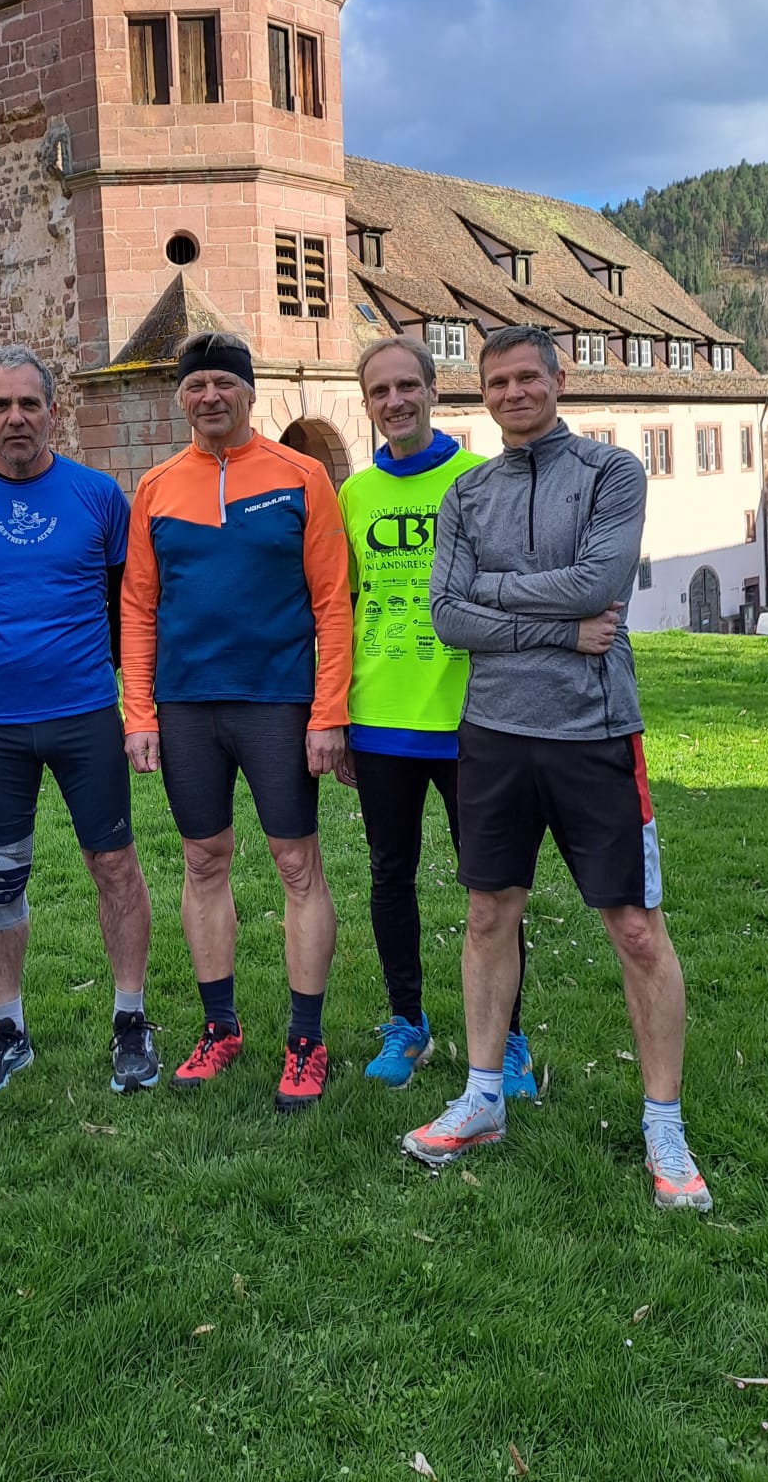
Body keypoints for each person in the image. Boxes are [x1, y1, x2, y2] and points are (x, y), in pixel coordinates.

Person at [404, 325, 711, 1211]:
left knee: (636, 928)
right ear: (483, 394)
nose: (512, 393)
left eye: (525, 377)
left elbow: (596, 586)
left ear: (557, 379)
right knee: (486, 914)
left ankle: (664, 1126)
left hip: (594, 732)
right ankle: (483, 1098)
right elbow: (447, 618)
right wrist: (557, 626)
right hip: (493, 732)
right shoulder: (468, 493)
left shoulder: (612, 473)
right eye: (496, 382)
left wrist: (494, 591)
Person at [0, 345, 157, 1098]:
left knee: (113, 865)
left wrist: (90, 666)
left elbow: (125, 597)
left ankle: (130, 1018)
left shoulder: (97, 496)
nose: (16, 417)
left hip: (85, 715)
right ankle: (7, 1027)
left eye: (29, 403)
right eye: (2, 405)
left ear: (53, 411)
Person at [122, 331, 352, 1112]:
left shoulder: (301, 476)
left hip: (277, 702)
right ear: (180, 398)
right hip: (188, 705)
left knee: (296, 865)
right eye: (196, 385)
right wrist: (139, 712)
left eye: (224, 383)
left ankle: (306, 1039)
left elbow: (332, 602)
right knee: (202, 861)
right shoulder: (156, 487)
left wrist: (328, 712)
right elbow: (138, 605)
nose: (210, 396)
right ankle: (219, 1026)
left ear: (250, 393)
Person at [337, 338, 535, 1097]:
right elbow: (342, 605)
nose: (395, 402)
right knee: (390, 873)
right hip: (381, 716)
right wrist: (337, 712)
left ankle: (507, 1040)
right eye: (379, 391)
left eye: (407, 386)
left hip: (472, 719)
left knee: (493, 886)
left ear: (433, 391)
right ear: (367, 404)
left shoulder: (478, 480)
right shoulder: (355, 494)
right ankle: (406, 1023)